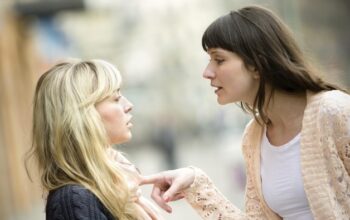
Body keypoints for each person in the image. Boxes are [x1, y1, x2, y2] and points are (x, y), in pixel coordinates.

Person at [140, 5, 350, 220]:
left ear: (256, 64)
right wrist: (194, 183)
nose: (207, 72)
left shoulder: (335, 112)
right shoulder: (254, 137)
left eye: (219, 60)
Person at [25, 59, 163, 220]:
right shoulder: (73, 201)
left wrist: (193, 180)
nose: (129, 105)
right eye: (116, 99)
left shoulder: (118, 184)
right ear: (83, 115)